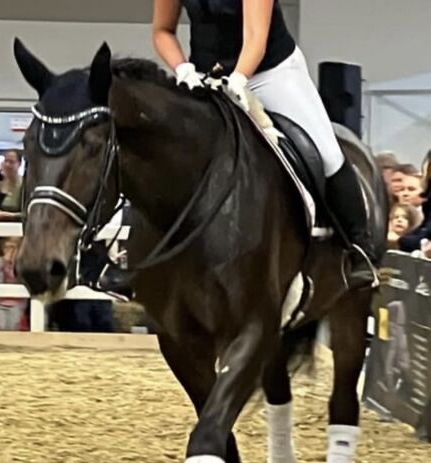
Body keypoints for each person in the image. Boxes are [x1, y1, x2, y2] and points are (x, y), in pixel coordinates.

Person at [152, 0, 378, 288]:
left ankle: (359, 249)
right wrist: (182, 68)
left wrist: (238, 79)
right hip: (205, 76)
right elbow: (162, 30)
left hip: (270, 73)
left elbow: (256, 37)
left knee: (327, 154)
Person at [0, 149, 23, 221]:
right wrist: (5, 183)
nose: (7, 164)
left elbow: (28, 213)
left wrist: (8, 215)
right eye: (6, 161)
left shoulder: (24, 185)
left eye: (11, 162)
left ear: (19, 164)